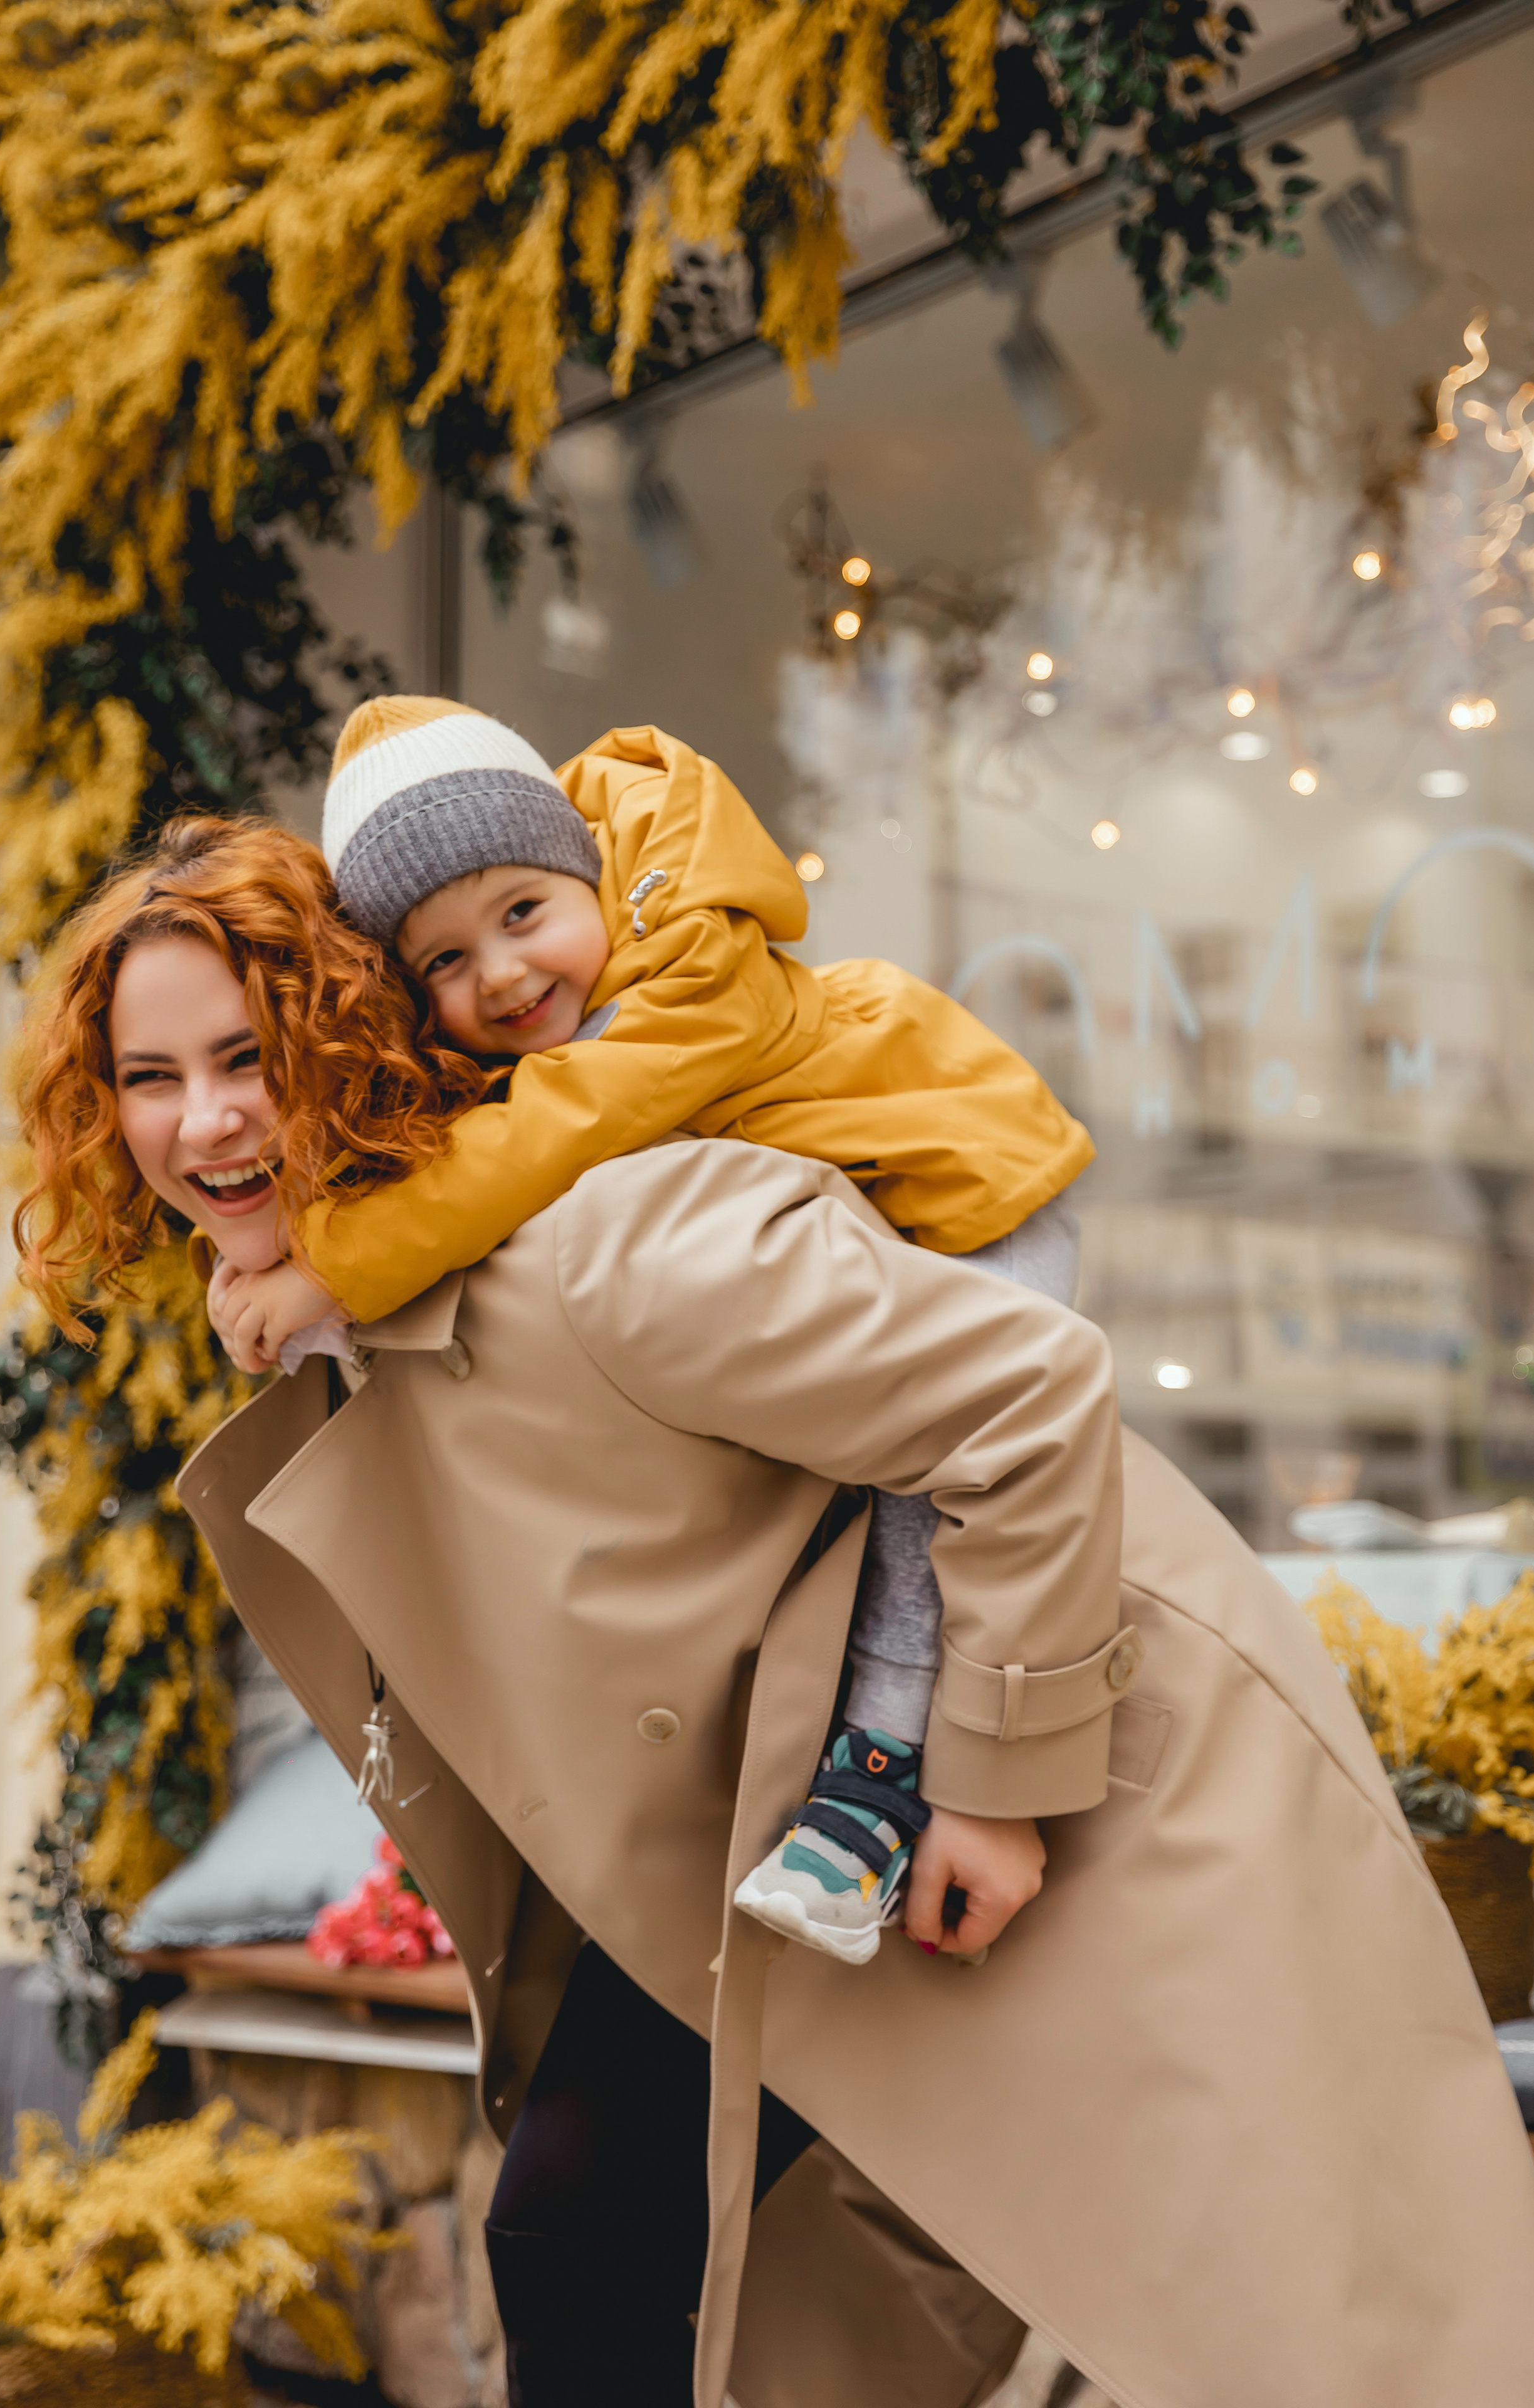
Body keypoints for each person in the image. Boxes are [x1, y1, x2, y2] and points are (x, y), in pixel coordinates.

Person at [14, 817, 1534, 2408]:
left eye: (249, 1055)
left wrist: (988, 1783)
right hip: (796, 1850)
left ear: (348, 1038)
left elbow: (1026, 1391)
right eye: (147, 1076)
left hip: (1076, 1784)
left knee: (1300, 2333)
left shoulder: (603, 1245)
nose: (204, 1121)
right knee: (632, 2262)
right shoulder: (349, 1305)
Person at [204, 696, 1097, 1962]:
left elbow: (535, 1143)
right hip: (887, 1204)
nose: (502, 975)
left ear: (594, 874)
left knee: (935, 1478)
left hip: (981, 1188)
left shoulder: (681, 977)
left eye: (522, 913)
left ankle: (885, 1769)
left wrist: (330, 1266)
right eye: (442, 963)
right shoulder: (571, 1043)